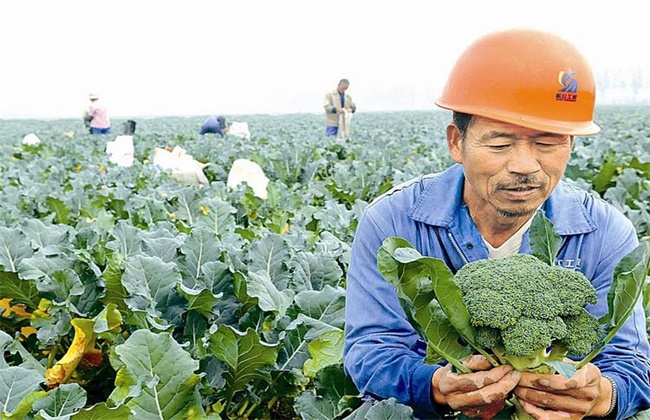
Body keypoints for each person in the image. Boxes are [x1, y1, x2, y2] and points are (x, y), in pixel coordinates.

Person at [343, 28, 650, 419]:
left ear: (570, 143)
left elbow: (632, 366)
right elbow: (370, 349)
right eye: (500, 144)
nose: (524, 165)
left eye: (548, 142)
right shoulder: (392, 221)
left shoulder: (606, 232)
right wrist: (434, 387)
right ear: (457, 142)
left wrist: (602, 395)